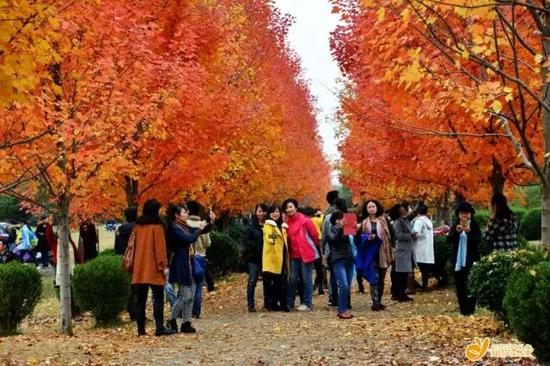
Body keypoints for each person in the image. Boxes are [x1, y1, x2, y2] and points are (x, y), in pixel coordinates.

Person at [130, 199, 174, 336]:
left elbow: (132, 245)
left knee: (141, 300)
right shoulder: (158, 226)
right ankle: (159, 328)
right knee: (158, 297)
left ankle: (141, 330)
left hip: (140, 267)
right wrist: (164, 266)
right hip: (154, 267)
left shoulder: (138, 225)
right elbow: (160, 249)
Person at [165, 203, 210, 333]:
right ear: (177, 215)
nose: (187, 214)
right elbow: (189, 239)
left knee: (190, 294)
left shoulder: (184, 226)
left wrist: (208, 220)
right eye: (184, 212)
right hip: (180, 264)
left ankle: (186, 322)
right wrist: (199, 228)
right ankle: (171, 319)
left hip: (189, 263)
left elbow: (201, 230)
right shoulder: (175, 228)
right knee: (185, 296)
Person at [284, 198, 320, 311]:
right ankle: (289, 302)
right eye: (286, 208)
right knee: (293, 279)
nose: (289, 209)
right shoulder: (286, 223)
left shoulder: (305, 220)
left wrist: (313, 249)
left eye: (290, 207)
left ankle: (307, 303)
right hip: (294, 255)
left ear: (295, 207)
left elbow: (314, 235)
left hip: (306, 254)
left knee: (306, 279)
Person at [359, 200, 394, 311]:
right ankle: (375, 302)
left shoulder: (384, 220)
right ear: (366, 209)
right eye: (369, 207)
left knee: (382, 278)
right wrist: (367, 237)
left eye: (373, 206)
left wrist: (393, 246)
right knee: (374, 277)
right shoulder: (363, 222)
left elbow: (392, 233)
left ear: (377, 207)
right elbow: (359, 237)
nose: (371, 208)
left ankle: (379, 300)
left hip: (383, 252)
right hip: (370, 253)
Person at [448, 201, 481, 316]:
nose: (464, 216)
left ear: (471, 214)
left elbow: (478, 240)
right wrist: (456, 232)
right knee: (460, 285)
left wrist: (470, 233)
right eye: (462, 213)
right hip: (458, 260)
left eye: (467, 213)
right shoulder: (456, 224)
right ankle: (463, 310)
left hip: (471, 260)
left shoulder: (475, 225)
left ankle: (471, 308)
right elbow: (449, 240)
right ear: (458, 214)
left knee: (472, 285)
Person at [186, 200, 216, 319]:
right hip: (201, 257)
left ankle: (185, 310)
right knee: (198, 285)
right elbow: (208, 241)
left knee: (188, 285)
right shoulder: (201, 224)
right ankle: (196, 312)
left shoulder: (184, 224)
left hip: (189, 257)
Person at [326, 211, 354, 319]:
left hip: (349, 259)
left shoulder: (349, 229)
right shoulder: (331, 230)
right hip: (337, 260)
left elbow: (356, 242)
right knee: (343, 285)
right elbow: (334, 241)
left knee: (347, 287)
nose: (340, 221)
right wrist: (340, 228)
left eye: (342, 218)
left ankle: (344, 309)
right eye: (338, 219)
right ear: (334, 220)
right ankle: (341, 310)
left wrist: (358, 230)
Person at [262, 205, 290, 312]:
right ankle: (268, 304)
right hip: (270, 258)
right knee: (268, 284)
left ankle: (277, 303)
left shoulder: (283, 226)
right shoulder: (267, 225)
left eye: (277, 212)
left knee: (280, 283)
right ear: (269, 214)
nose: (275, 213)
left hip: (281, 257)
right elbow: (269, 238)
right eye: (273, 212)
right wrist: (277, 236)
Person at [114, 207, 138, 320]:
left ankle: (133, 313)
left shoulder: (120, 231)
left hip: (126, 262)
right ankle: (139, 313)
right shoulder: (139, 229)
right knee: (140, 289)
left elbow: (117, 249)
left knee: (130, 290)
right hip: (139, 262)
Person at [243, 203, 268, 312]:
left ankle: (268, 303)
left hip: (266, 257)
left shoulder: (269, 225)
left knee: (267, 280)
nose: (261, 213)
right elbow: (246, 241)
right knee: (253, 279)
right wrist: (257, 246)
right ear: (255, 212)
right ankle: (250, 305)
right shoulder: (251, 226)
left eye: (263, 211)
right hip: (253, 257)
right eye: (259, 211)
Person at [390, 204, 415, 302]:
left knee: (402, 273)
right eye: (402, 209)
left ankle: (400, 293)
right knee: (400, 274)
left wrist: (420, 203)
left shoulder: (404, 219)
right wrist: (411, 236)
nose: (405, 210)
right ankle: (400, 294)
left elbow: (413, 214)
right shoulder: (397, 222)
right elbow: (398, 235)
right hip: (401, 251)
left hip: (405, 250)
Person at [412, 204, 435, 292]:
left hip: (420, 248)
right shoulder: (428, 220)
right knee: (425, 269)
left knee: (420, 268)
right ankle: (425, 286)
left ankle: (420, 287)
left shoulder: (419, 221)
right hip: (428, 248)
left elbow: (415, 233)